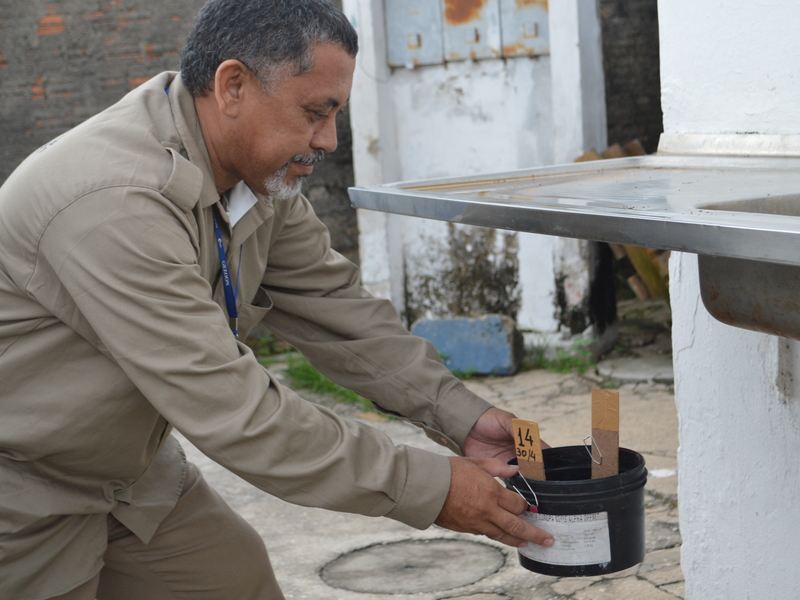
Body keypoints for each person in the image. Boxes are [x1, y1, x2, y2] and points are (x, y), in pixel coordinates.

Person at [0, 0, 552, 598]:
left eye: (335, 114)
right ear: (232, 86)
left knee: (234, 578)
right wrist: (428, 485)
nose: (329, 140)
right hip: (24, 491)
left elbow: (339, 311)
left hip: (133, 477)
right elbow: (232, 406)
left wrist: (459, 415)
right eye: (316, 112)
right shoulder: (110, 200)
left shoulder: (256, 181)